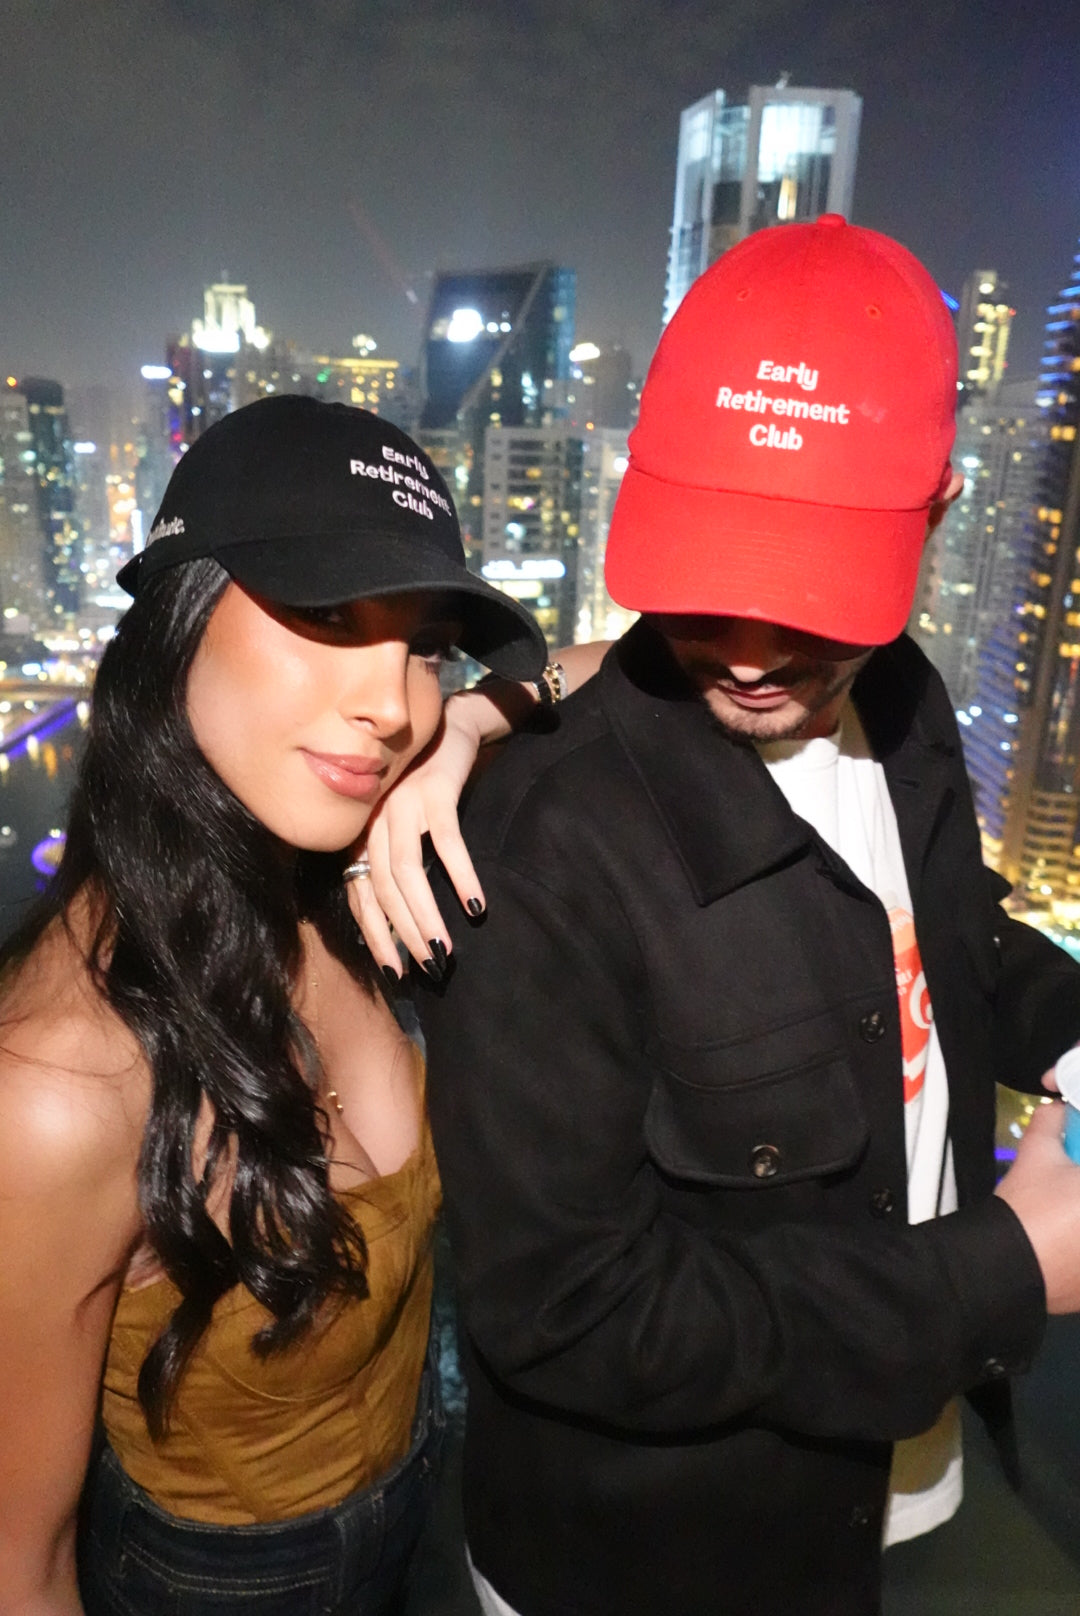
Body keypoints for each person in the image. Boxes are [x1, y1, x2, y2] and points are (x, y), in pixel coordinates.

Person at [358, 217, 1080, 1616]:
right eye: (718, 579)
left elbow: (952, 928)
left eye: (811, 594)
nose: (751, 656)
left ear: (928, 522)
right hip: (652, 1558)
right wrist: (1002, 1272)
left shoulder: (911, 702)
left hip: (895, 1473)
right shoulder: (548, 847)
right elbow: (565, 1313)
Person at [0, 394, 547, 1616]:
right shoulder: (52, 1089)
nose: (389, 702)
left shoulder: (336, 891)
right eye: (329, 616)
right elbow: (15, 1565)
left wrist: (470, 723)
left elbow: (642, 659)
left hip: (415, 1505)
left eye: (421, 643)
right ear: (181, 620)